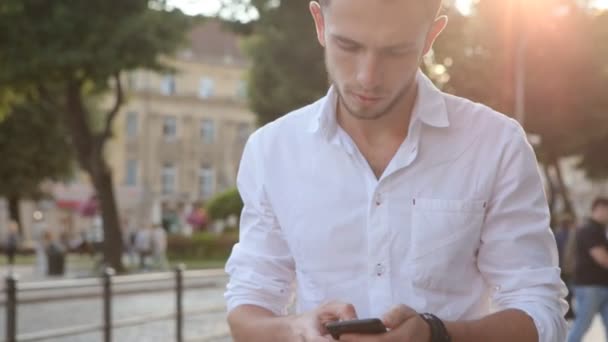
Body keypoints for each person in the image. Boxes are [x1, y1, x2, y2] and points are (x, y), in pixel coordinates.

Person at [224, 1, 568, 341]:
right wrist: (294, 329)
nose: (367, 77)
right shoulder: (272, 150)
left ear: (432, 36)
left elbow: (541, 312)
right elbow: (248, 304)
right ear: (319, 22)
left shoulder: (495, 144)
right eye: (349, 45)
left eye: (396, 51)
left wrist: (439, 335)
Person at [567, 198, 608, 342]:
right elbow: (602, 258)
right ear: (597, 209)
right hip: (590, 286)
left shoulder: (599, 230)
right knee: (582, 325)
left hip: (600, 285)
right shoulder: (589, 229)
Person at [554, 214, 577, 320]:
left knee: (564, 290)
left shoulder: (557, 234)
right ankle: (569, 311)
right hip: (570, 267)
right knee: (570, 290)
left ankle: (567, 311)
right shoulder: (573, 234)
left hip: (559, 266)